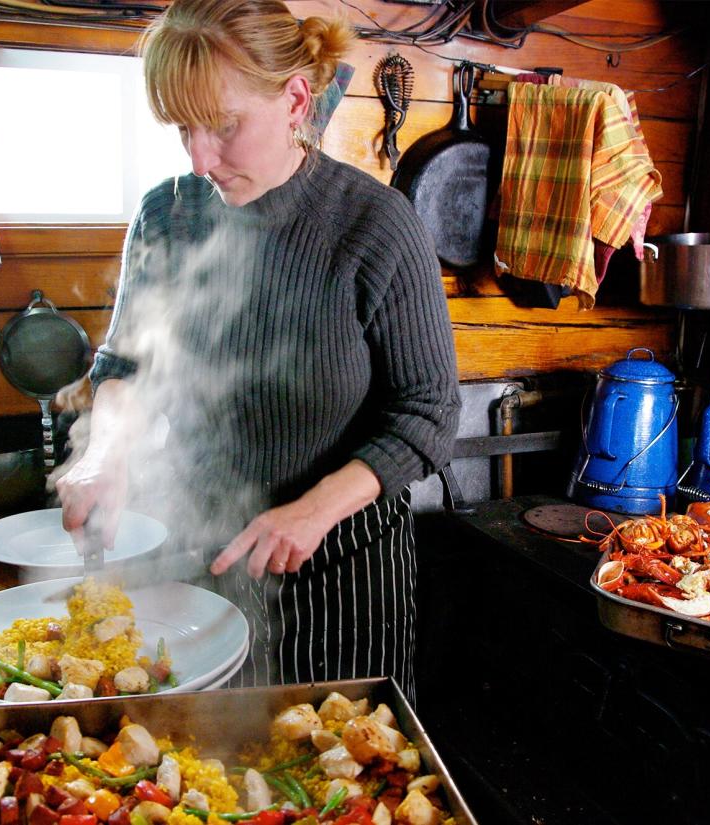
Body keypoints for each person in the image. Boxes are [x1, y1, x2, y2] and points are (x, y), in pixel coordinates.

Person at [54, 0, 459, 700]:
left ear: (296, 98)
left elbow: (429, 412)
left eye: (222, 125)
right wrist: (104, 451)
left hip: (345, 578)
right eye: (183, 128)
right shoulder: (167, 215)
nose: (198, 157)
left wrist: (313, 509)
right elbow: (127, 364)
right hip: (202, 567)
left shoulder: (374, 225)